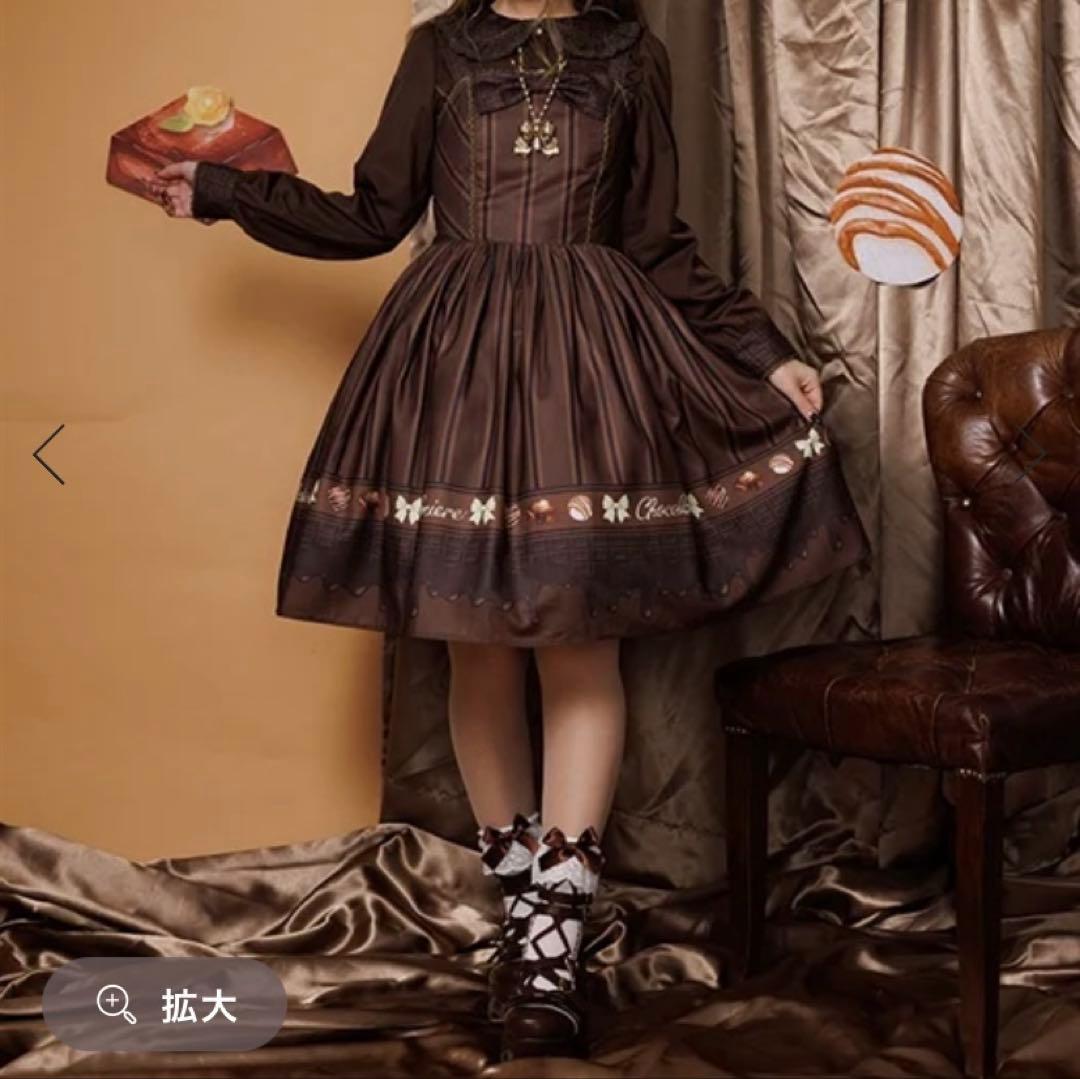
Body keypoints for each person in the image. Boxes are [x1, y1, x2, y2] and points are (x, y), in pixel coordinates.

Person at [151, 0, 870, 1061]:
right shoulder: (439, 49)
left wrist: (766, 352)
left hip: (589, 370)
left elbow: (655, 241)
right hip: (453, 366)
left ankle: (553, 944)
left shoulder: (631, 54)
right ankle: (528, 906)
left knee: (580, 646)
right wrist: (222, 191)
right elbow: (375, 214)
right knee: (475, 643)